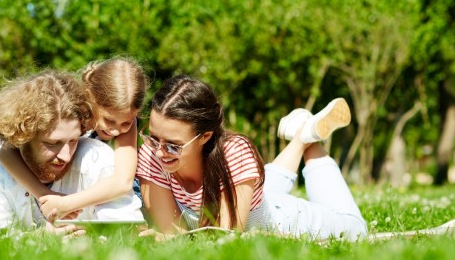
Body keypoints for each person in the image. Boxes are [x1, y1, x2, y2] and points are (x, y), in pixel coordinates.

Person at [137, 75, 367, 240]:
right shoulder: (151, 155)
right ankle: (301, 137)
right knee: (261, 188)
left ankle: (310, 140)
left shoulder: (234, 153)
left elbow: (224, 237)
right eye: (153, 137)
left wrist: (171, 239)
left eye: (174, 146)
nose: (159, 151)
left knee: (356, 230)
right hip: (252, 195)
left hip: (282, 218)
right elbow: (170, 230)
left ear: (204, 136)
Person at [0, 70, 144, 236]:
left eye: (73, 141)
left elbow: (122, 189)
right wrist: (43, 208)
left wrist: (65, 204)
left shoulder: (99, 155)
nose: (66, 155)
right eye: (52, 143)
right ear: (24, 136)